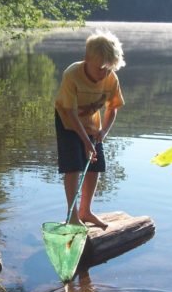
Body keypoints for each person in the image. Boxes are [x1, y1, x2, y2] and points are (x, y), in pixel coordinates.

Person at [54, 29, 125, 229]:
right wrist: (85, 141)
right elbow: (70, 112)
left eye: (108, 69)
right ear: (87, 59)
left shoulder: (110, 78)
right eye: (100, 68)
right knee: (74, 165)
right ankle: (72, 214)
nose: (104, 73)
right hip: (68, 121)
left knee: (94, 166)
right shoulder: (72, 74)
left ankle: (86, 211)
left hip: (93, 125)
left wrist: (103, 133)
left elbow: (112, 108)